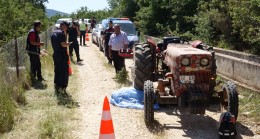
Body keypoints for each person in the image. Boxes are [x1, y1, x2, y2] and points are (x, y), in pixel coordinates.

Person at [51, 21, 72, 94]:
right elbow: (63, 44)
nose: (66, 28)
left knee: (57, 69)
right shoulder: (61, 33)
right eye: (66, 27)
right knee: (64, 71)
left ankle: (57, 84)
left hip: (55, 54)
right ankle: (63, 87)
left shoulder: (53, 33)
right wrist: (68, 44)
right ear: (62, 25)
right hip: (62, 55)